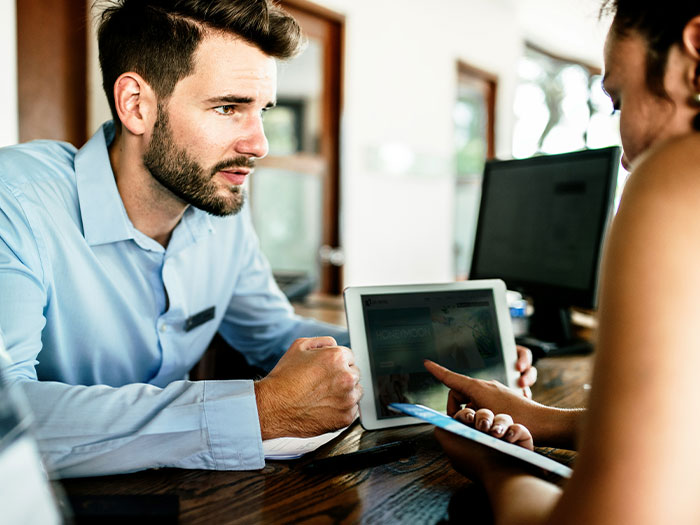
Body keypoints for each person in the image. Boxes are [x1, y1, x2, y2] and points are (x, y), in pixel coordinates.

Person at [424, 1, 700, 522]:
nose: (625, 154)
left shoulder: (678, 176)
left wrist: (499, 465)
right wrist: (541, 419)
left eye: (618, 100)